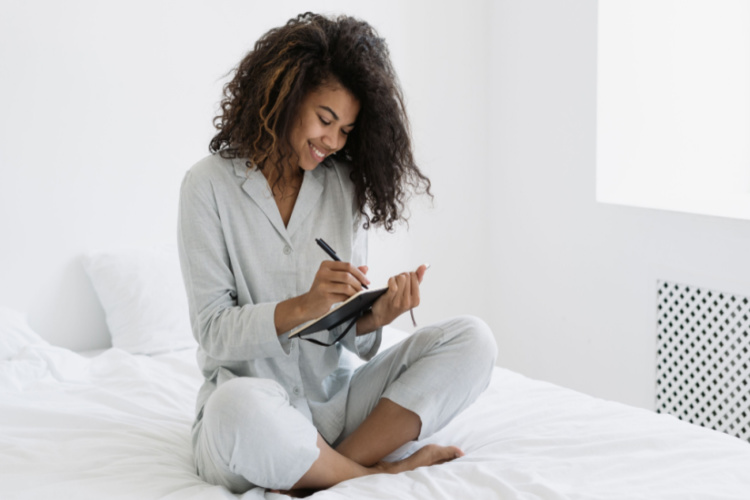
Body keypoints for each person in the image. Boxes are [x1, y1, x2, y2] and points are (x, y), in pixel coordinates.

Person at [177, 12, 497, 495]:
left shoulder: (343, 187)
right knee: (233, 410)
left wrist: (376, 316)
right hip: (255, 408)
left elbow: (346, 337)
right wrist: (301, 307)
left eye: (346, 129)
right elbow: (213, 331)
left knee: (474, 340)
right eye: (325, 119)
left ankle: (318, 467)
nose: (332, 140)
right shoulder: (207, 187)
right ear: (284, 96)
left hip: (336, 406)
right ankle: (371, 475)